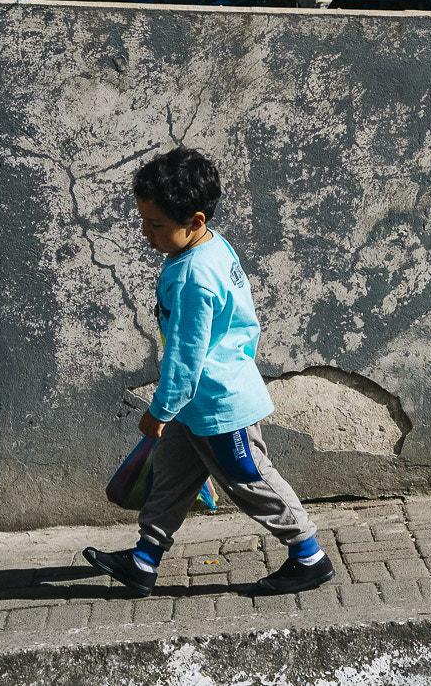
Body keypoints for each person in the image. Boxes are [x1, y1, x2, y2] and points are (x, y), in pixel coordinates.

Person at [82, 147, 333, 596]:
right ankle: (144, 561)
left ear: (194, 221)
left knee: (248, 477)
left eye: (156, 225)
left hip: (216, 402)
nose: (145, 234)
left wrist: (159, 411)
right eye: (144, 221)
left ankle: (308, 554)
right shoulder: (212, 246)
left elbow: (185, 354)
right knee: (171, 479)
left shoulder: (194, 277)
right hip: (194, 403)